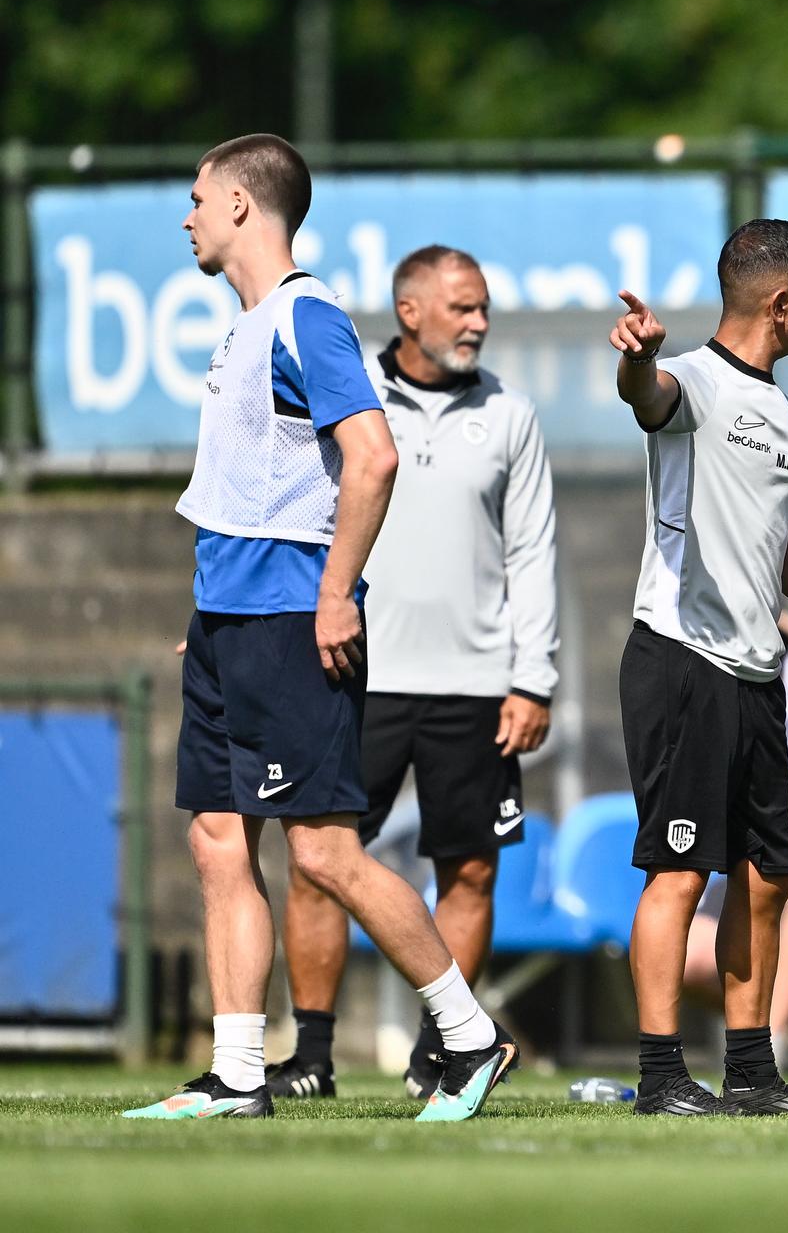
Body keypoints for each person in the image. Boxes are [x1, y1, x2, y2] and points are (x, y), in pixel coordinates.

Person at [127, 134, 513, 1122]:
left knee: (326, 853)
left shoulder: (308, 316)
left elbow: (373, 456)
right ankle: (238, 1072)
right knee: (220, 839)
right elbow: (250, 489)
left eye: (199, 196)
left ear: (246, 206)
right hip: (228, 620)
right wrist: (209, 615)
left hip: (293, 619)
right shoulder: (243, 330)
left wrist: (334, 592)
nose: (189, 216)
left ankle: (470, 1039)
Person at [265, 245, 559, 1100]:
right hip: (355, 671)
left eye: (484, 308)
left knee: (469, 869)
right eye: (463, 307)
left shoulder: (510, 412)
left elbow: (533, 550)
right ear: (411, 311)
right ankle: (312, 1056)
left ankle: (447, 1052)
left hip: (476, 685)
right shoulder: (348, 391)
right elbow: (290, 513)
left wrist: (531, 677)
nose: (479, 323)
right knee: (321, 857)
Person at [612, 218, 788, 1117]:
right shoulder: (691, 380)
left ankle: (751, 1074)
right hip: (681, 660)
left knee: (771, 874)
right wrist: (638, 360)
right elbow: (647, 397)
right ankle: (661, 1074)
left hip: (757, 673)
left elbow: (787, 541)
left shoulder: (780, 412)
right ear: (783, 301)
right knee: (680, 872)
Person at [682, 617, 788, 1056]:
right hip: (760, 849)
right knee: (689, 960)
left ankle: (763, 1055)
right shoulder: (752, 667)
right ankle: (749, 1028)